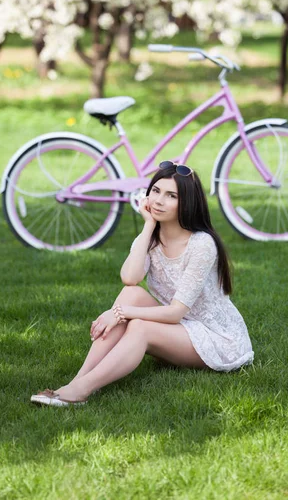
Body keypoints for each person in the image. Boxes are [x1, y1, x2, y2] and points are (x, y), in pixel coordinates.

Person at [30, 161, 254, 407]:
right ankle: (76, 381)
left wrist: (119, 313)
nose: (158, 200)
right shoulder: (152, 236)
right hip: (181, 327)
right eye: (155, 191)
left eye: (171, 196)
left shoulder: (202, 245)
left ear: (187, 203)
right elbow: (130, 278)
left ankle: (81, 390)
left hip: (216, 338)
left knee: (139, 327)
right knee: (131, 294)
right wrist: (148, 225)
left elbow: (176, 311)